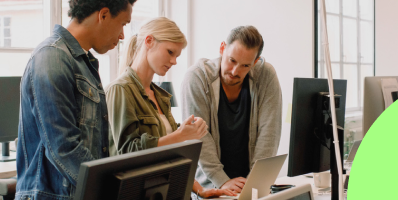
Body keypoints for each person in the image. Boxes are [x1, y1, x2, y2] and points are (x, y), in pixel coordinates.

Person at [15, 0, 134, 199]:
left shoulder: (82, 63)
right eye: (123, 24)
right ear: (103, 15)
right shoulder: (52, 57)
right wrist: (110, 190)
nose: (122, 35)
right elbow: (63, 147)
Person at [105, 17, 235, 198]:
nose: (174, 61)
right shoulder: (120, 90)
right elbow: (128, 152)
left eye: (177, 56)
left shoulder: (160, 96)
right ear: (149, 41)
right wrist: (180, 135)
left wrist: (200, 190)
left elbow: (173, 158)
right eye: (170, 52)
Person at [181, 25, 283, 192]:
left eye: (245, 66)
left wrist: (255, 183)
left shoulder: (266, 75)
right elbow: (199, 137)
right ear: (222, 48)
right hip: (211, 188)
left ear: (255, 62)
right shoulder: (197, 77)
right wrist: (221, 181)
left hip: (250, 186)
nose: (235, 71)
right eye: (232, 60)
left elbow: (269, 132)